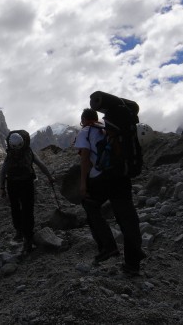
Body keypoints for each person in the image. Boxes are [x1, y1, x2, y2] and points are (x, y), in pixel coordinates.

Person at [75, 108, 145, 275]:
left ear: (84, 119)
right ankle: (132, 263)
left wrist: (83, 183)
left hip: (101, 178)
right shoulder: (109, 129)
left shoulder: (86, 131)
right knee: (126, 216)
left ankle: (108, 246)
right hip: (121, 175)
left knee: (90, 205)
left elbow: (85, 158)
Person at [0, 131, 54, 254]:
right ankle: (28, 237)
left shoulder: (9, 156)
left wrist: (2, 188)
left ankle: (19, 231)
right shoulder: (29, 153)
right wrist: (49, 177)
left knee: (15, 208)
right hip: (27, 184)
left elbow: (3, 172)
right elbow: (41, 165)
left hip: (12, 185)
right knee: (27, 210)